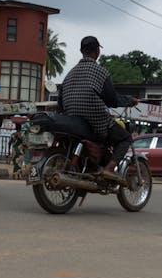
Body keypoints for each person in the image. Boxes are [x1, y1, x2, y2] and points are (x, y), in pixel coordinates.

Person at [58, 35, 138, 180]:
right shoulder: (101, 72)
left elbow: (60, 101)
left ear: (82, 51)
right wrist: (129, 101)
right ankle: (109, 168)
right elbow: (112, 100)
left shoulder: (69, 75)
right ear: (97, 51)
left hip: (73, 121)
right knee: (125, 138)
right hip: (95, 120)